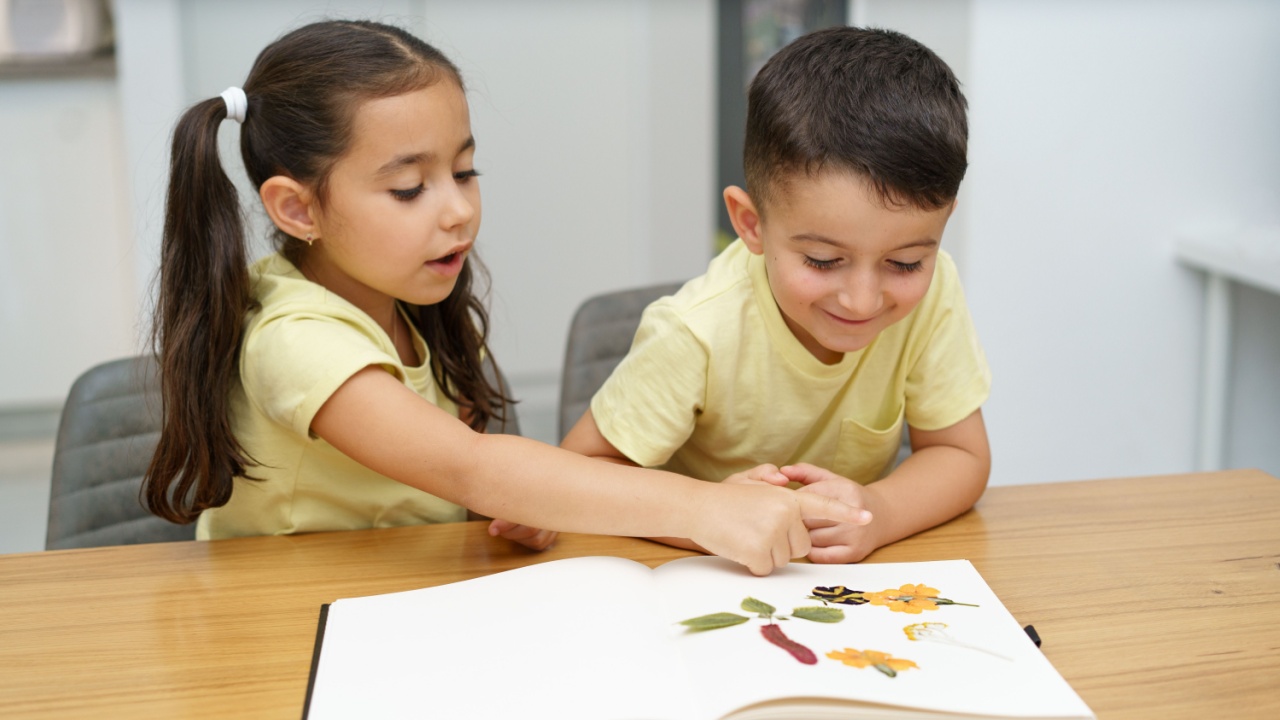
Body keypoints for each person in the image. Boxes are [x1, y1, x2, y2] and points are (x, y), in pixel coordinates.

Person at [141, 19, 868, 576]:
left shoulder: (404, 305)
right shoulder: (295, 341)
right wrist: (705, 506)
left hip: (406, 602)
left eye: (465, 171)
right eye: (408, 188)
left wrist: (534, 505)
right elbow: (470, 467)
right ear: (298, 210)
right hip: (286, 629)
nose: (456, 209)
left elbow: (474, 486)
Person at [561, 26, 991, 564]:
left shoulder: (934, 292)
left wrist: (878, 512)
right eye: (822, 261)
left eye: (905, 263)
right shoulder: (697, 330)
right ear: (751, 224)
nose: (862, 301)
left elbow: (960, 454)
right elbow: (572, 476)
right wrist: (705, 514)